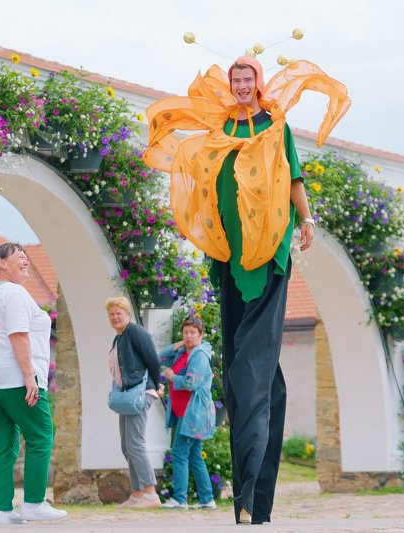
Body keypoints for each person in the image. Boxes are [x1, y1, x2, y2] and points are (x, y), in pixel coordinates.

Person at [144, 54, 349, 524]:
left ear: (258, 83)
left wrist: (307, 218)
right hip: (229, 253)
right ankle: (254, 504)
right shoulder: (219, 128)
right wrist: (192, 217)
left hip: (268, 248)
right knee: (249, 372)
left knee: (250, 373)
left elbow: (293, 178)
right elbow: (201, 176)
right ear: (230, 84)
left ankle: (249, 498)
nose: (240, 84)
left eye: (247, 78)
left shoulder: (276, 126)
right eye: (235, 78)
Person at [0, 243, 67, 525]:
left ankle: (3, 511)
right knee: (41, 436)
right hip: (15, 379)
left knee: (1, 445)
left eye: (26, 256)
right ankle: (35, 502)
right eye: (18, 256)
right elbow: (18, 335)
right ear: (1, 263)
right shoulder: (14, 293)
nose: (25, 260)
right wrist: (28, 376)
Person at [105, 296, 165, 509]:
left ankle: (150, 493)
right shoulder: (118, 337)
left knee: (135, 442)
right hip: (127, 394)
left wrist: (158, 384)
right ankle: (137, 493)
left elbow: (152, 359)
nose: (115, 317)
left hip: (141, 392)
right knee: (126, 445)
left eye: (118, 313)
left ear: (127, 314)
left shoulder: (135, 332)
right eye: (111, 314)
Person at [158, 316, 217, 510]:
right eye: (186, 332)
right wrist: (179, 344)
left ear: (201, 335)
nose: (189, 336)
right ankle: (207, 499)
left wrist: (172, 376)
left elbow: (191, 382)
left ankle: (180, 499)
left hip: (194, 413)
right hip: (184, 411)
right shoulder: (184, 351)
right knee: (194, 456)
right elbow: (160, 358)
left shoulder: (199, 355)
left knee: (179, 453)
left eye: (193, 332)